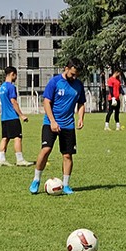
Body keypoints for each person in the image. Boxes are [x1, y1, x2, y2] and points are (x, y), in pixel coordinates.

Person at [29, 58, 86, 195]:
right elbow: (46, 102)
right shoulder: (54, 82)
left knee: (67, 155)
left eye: (76, 75)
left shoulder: (78, 85)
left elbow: (81, 103)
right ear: (66, 68)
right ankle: (36, 179)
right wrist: (53, 121)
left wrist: (80, 118)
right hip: (50, 123)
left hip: (68, 125)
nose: (74, 77)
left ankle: (66, 185)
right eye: (72, 74)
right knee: (46, 150)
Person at [0, 66, 33, 167]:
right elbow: (14, 102)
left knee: (5, 138)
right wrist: (21, 115)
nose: (16, 77)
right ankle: (20, 160)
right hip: (12, 116)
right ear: (12, 74)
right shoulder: (11, 87)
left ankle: (1, 159)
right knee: (17, 137)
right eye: (15, 75)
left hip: (4, 117)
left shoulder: (2, 87)